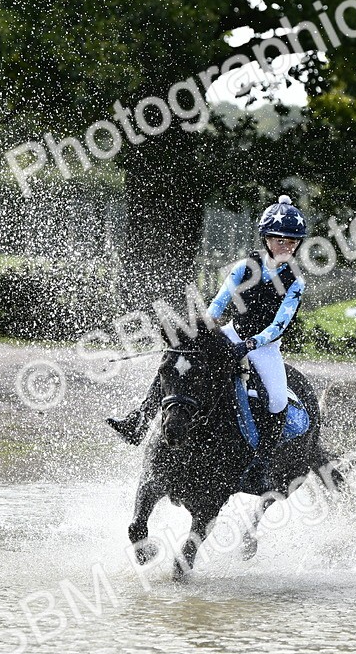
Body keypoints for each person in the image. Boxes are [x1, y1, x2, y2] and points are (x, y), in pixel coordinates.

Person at [107, 195, 308, 489]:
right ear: (266, 238)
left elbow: (280, 324)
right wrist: (201, 333)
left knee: (277, 400)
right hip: (230, 333)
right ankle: (139, 421)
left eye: (292, 242)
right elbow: (218, 303)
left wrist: (250, 344)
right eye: (279, 240)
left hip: (264, 347)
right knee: (178, 360)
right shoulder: (245, 267)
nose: (285, 247)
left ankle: (262, 463)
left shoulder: (295, 281)